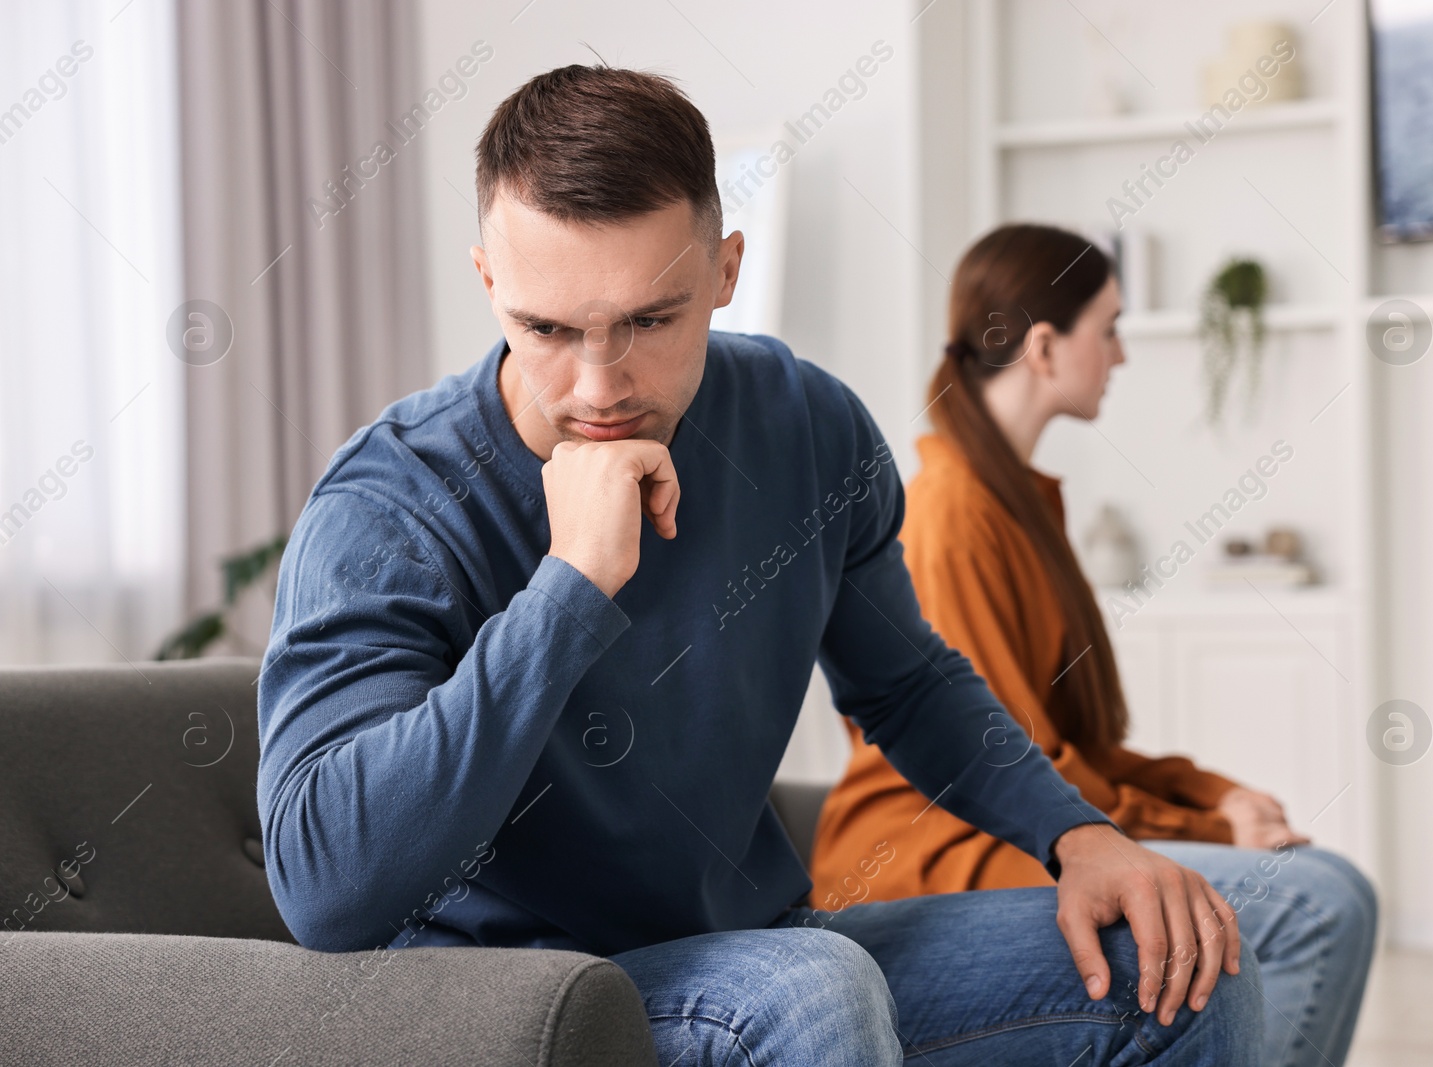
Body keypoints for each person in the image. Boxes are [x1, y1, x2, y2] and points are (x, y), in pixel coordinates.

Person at [256, 67, 1264, 1065]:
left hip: (748, 952)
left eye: (650, 320)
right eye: (548, 329)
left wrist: (1075, 833)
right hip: (510, 998)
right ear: (490, 283)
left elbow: (907, 684)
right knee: (806, 988)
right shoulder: (389, 505)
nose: (598, 385)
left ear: (726, 271)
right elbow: (325, 887)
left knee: (1178, 959)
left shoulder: (805, 423)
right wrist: (566, 589)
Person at [811, 223, 1378, 1066]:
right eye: (1108, 328)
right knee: (1317, 903)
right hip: (943, 852)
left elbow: (1083, 749)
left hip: (1017, 833)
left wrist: (1214, 796)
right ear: (1044, 347)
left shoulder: (1016, 502)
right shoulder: (953, 515)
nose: (1121, 355)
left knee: (1327, 888)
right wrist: (1208, 826)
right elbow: (1014, 762)